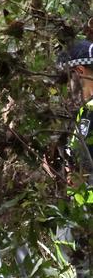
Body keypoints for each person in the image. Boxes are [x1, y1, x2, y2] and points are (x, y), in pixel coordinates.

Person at [58, 39, 93, 184]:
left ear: (80, 71)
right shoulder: (86, 109)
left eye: (66, 78)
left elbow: (82, 168)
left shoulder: (90, 110)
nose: (66, 85)